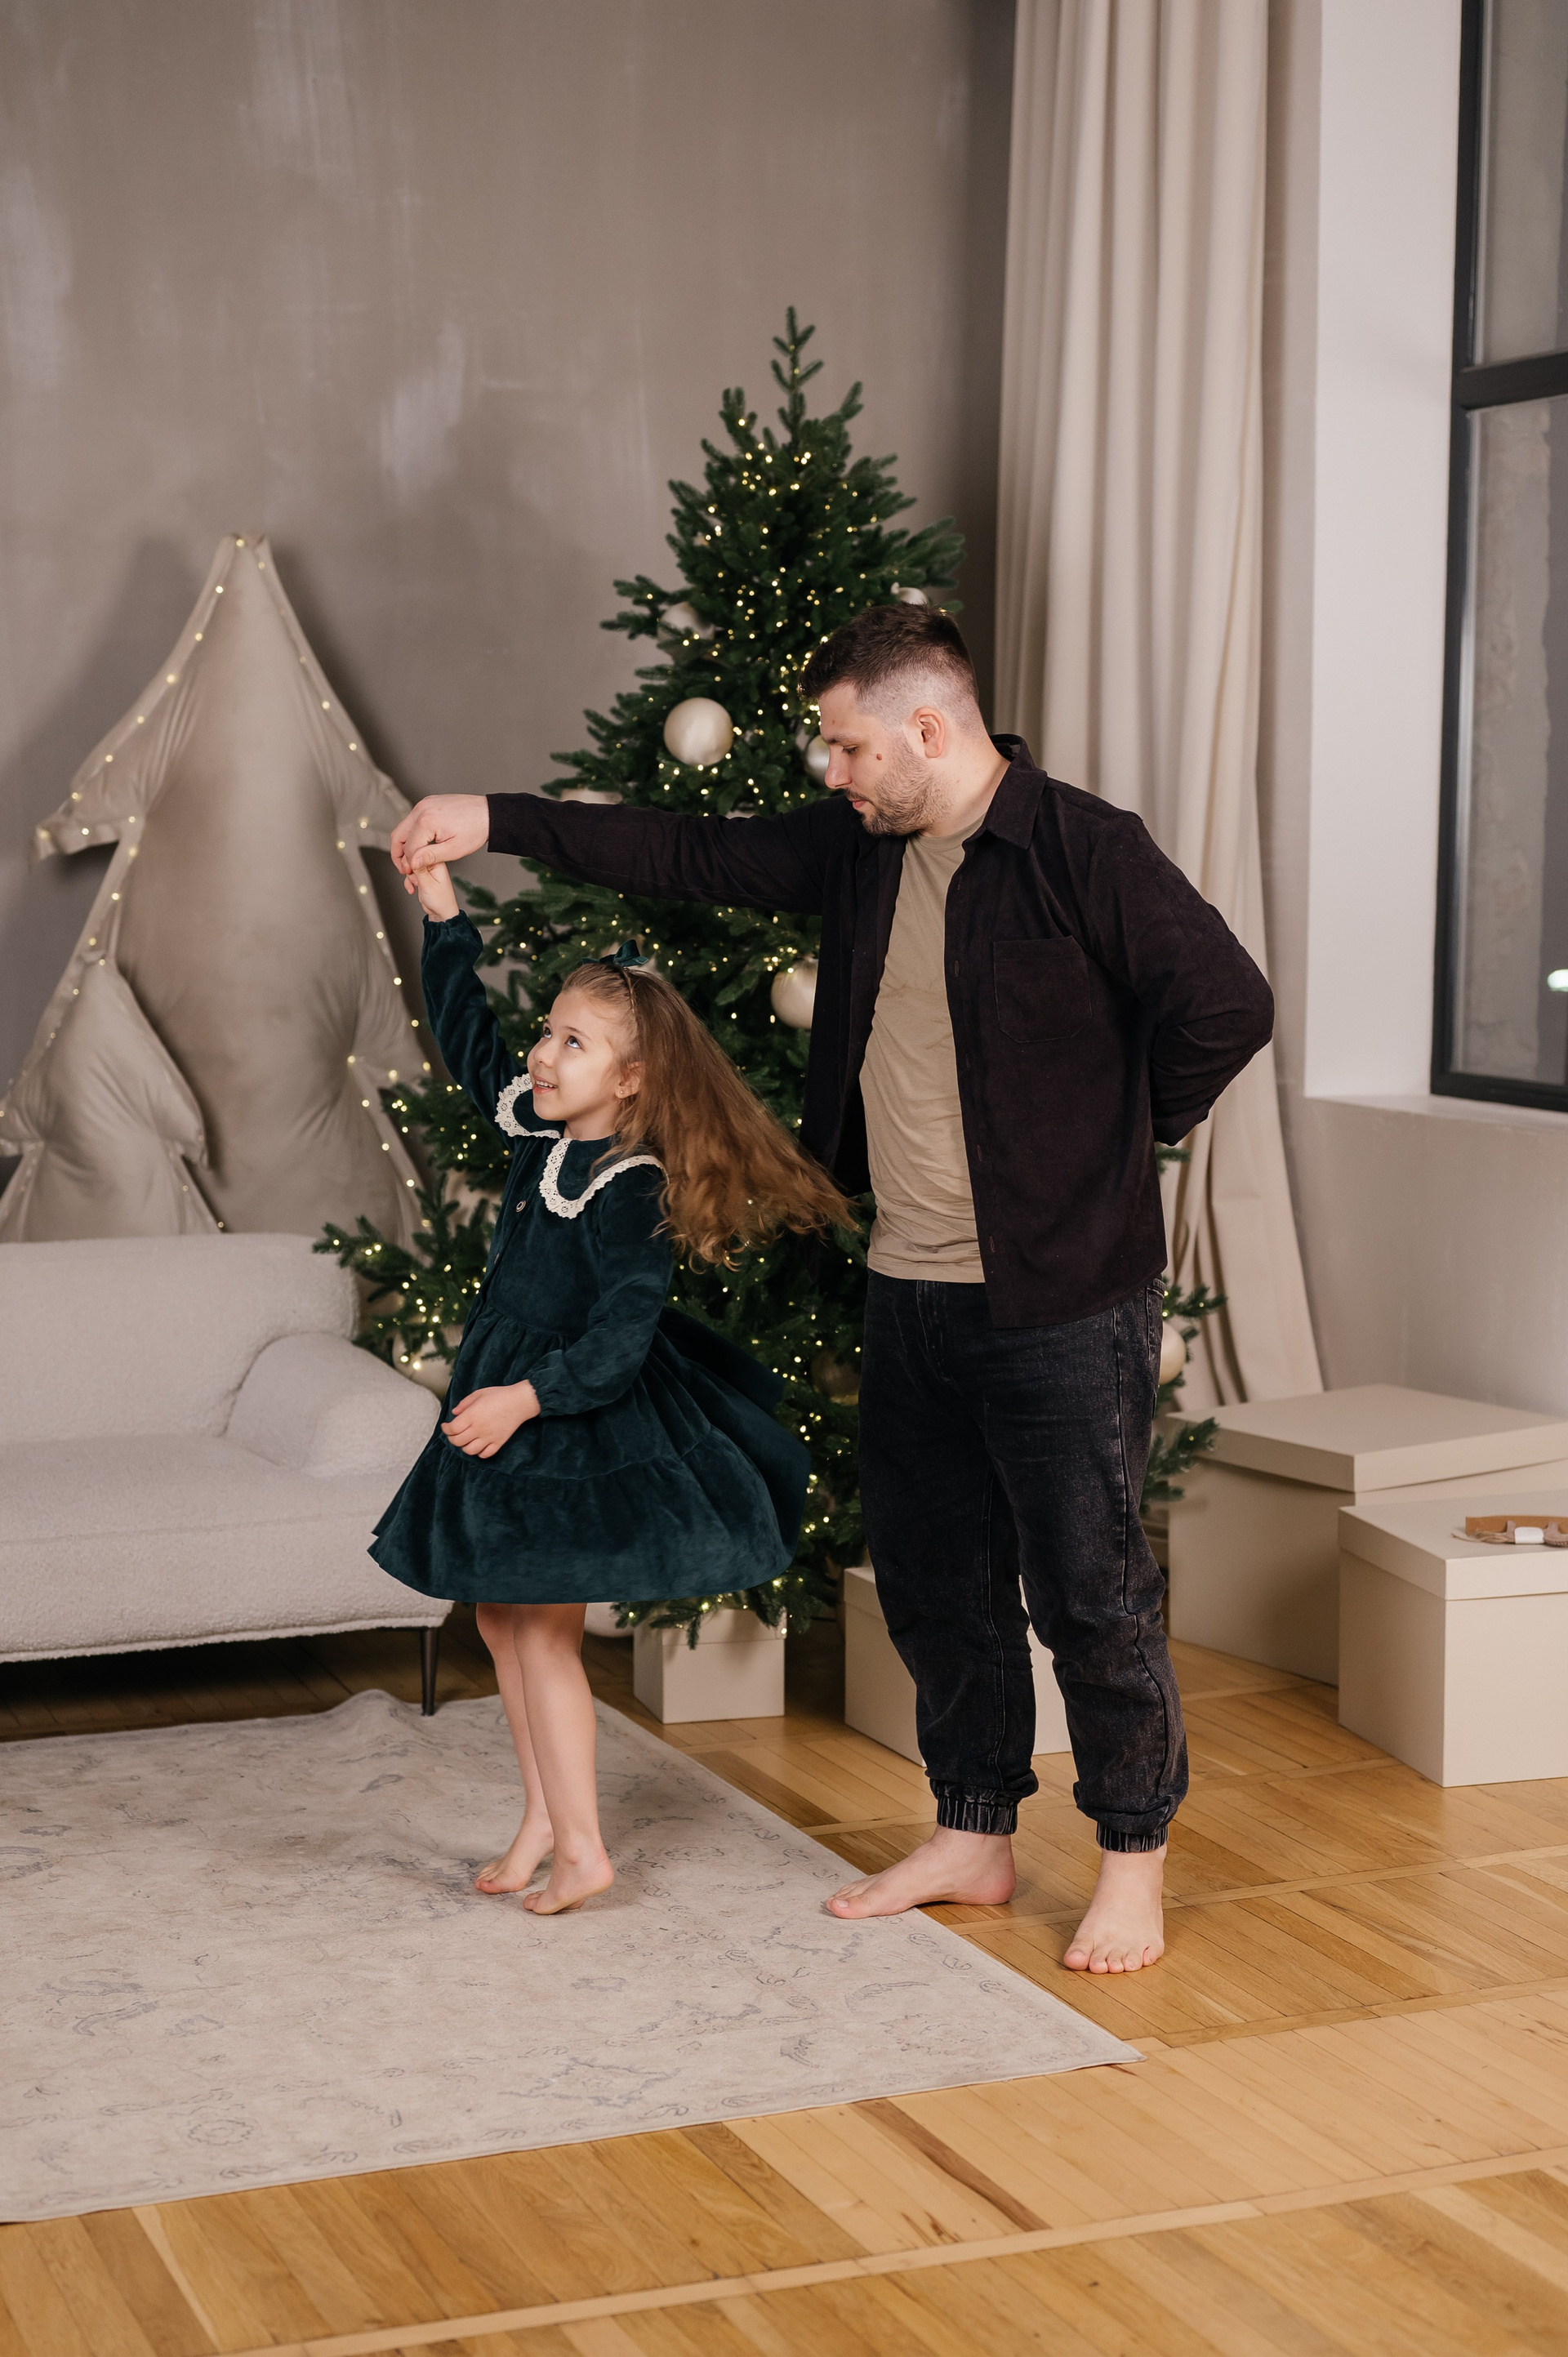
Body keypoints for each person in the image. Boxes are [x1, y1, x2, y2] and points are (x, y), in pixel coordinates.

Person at [390, 604, 1272, 1970]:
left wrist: (1108, 1135)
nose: (834, 770)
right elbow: (688, 851)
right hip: (908, 1283)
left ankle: (1130, 1856)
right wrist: (494, 817)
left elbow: (1229, 1004)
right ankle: (973, 1832)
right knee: (933, 1576)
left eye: (850, 746)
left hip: (1063, 1300)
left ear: (927, 729)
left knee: (1089, 1589)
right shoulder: (862, 852)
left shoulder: (1084, 851)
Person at [380, 853, 850, 1914]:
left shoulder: (629, 1186)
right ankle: (544, 1816)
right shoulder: (542, 1128)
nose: (543, 1054)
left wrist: (525, 1398)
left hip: (566, 1417)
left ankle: (586, 1847)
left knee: (543, 1631)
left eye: (573, 1043)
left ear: (631, 1079)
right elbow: (470, 1042)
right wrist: (445, 919)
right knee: (499, 1620)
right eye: (549, 1032)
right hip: (509, 1394)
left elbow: (622, 1339)